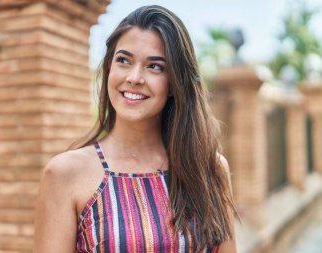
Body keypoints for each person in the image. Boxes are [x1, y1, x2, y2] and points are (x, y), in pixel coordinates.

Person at [34, 5, 237, 253]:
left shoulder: (209, 170)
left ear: (175, 83)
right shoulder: (65, 174)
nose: (134, 77)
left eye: (155, 66)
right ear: (109, 68)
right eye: (123, 60)